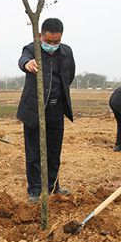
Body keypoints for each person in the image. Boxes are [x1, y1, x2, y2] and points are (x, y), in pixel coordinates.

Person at [17, 18, 75, 203]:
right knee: (34, 152)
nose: (52, 45)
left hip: (56, 109)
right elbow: (22, 60)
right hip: (34, 110)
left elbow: (70, 74)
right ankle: (34, 190)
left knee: (53, 151)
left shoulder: (66, 51)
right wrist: (27, 64)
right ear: (40, 35)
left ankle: (53, 185)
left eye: (56, 42)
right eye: (48, 41)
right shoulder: (31, 48)